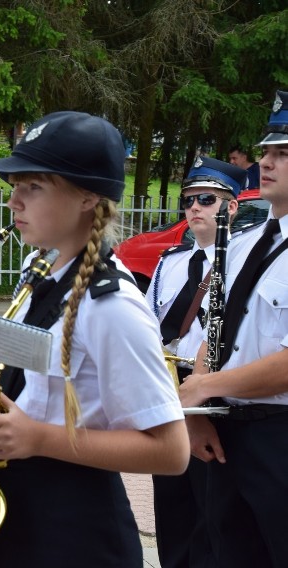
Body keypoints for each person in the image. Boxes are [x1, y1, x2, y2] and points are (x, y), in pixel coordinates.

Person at [0, 111, 189, 567]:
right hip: (22, 515)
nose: (14, 201)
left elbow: (172, 452)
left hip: (77, 534)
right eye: (16, 186)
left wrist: (37, 438)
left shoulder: (113, 305)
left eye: (33, 187)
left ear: (87, 196)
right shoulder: (44, 276)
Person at [179, 89, 288, 567]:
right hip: (227, 435)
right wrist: (199, 409)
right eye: (266, 151)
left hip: (280, 437)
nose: (266, 162)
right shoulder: (244, 242)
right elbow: (216, 327)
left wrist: (203, 386)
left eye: (283, 154)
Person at [147, 157, 245, 568]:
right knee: (171, 503)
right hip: (168, 379)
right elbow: (150, 325)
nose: (194, 208)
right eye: (188, 200)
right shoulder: (169, 261)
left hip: (212, 386)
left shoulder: (240, 259)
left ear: (232, 207)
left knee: (212, 509)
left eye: (207, 199)